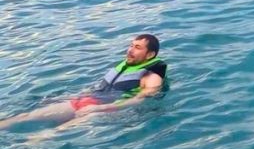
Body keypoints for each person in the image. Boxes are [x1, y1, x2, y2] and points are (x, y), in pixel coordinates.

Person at [0, 34, 168, 130]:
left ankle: (28, 148)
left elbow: (140, 99)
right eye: (131, 45)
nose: (130, 50)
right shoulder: (124, 66)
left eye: (137, 47)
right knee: (25, 116)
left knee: (55, 132)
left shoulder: (152, 76)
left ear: (150, 55)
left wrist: (101, 108)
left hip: (107, 110)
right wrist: (72, 97)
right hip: (90, 101)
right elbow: (99, 90)